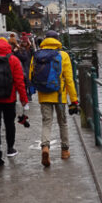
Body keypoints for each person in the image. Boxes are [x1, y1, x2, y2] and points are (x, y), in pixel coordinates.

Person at [29, 32, 79, 166]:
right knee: (63, 123)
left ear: (45, 40)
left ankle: (45, 147)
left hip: (44, 95)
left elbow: (31, 75)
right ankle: (65, 151)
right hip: (60, 96)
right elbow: (69, 79)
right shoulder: (63, 55)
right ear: (57, 40)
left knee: (46, 123)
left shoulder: (37, 55)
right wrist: (74, 100)